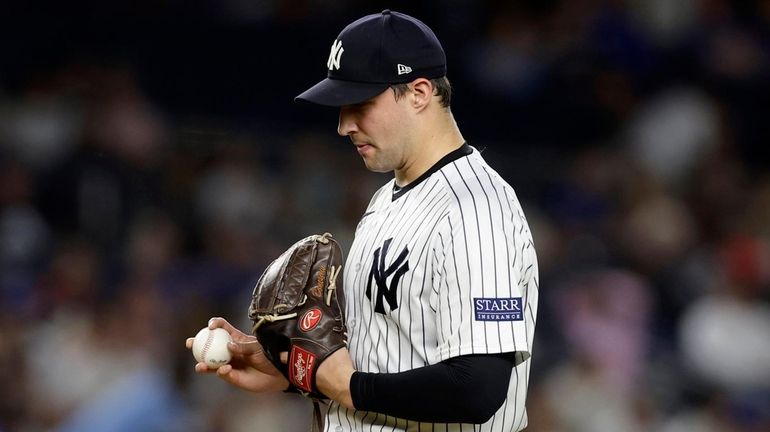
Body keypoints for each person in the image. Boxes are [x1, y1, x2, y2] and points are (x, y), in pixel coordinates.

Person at [187, 9, 539, 431]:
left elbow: (477, 389)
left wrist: (346, 387)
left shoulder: (476, 210)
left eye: (360, 104)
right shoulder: (385, 199)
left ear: (419, 92)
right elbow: (388, 358)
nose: (343, 125)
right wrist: (298, 371)